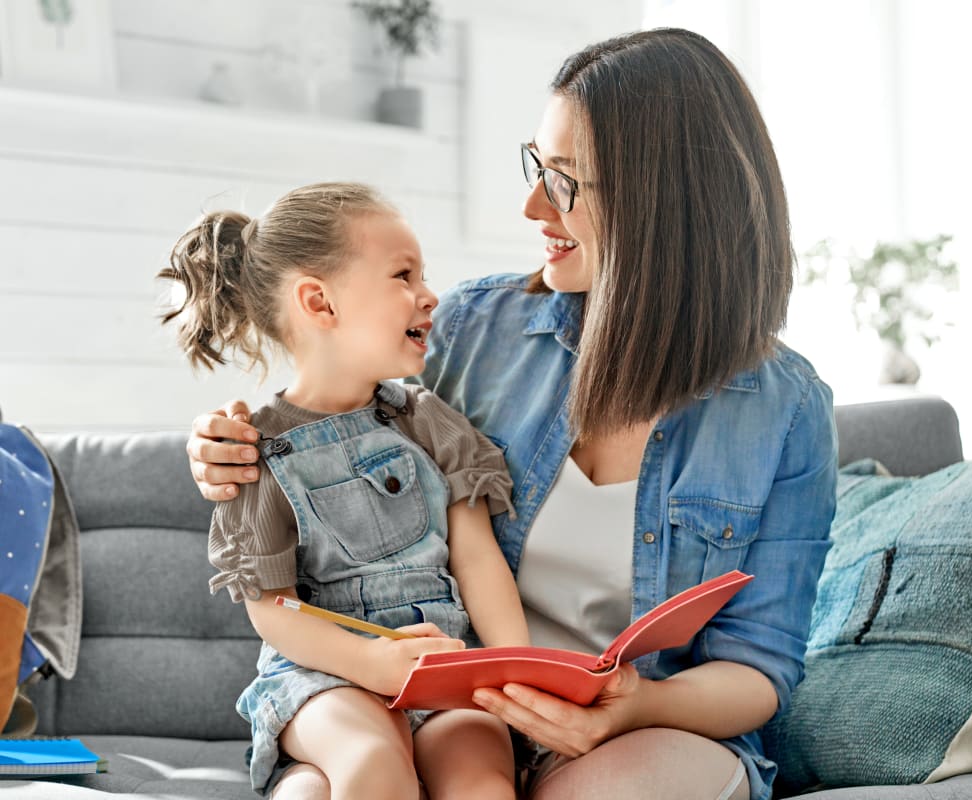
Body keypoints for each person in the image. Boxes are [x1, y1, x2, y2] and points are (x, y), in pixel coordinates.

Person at [185, 28, 838, 800]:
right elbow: (343, 415)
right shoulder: (475, 329)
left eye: (563, 181)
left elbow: (760, 666)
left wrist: (635, 707)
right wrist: (228, 448)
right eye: (536, 166)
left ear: (662, 201)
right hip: (450, 705)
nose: (532, 205)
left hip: (632, 732)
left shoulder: (785, 409)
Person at [158, 182, 531, 799]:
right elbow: (272, 608)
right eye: (403, 275)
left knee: (483, 781)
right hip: (324, 677)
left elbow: (476, 556)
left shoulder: (431, 422)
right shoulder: (253, 452)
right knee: (371, 763)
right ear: (320, 302)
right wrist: (368, 665)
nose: (429, 295)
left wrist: (517, 667)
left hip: (440, 668)